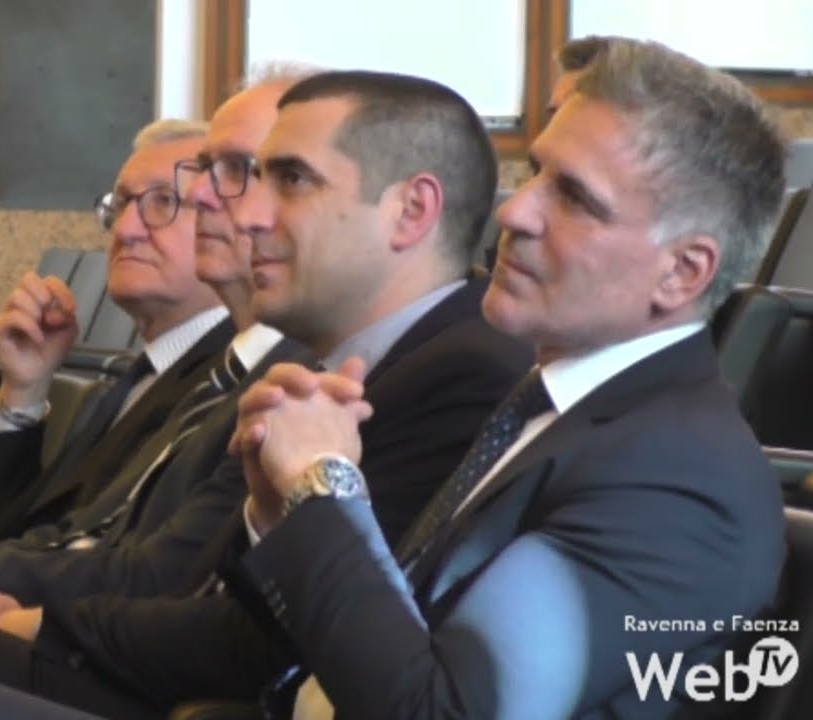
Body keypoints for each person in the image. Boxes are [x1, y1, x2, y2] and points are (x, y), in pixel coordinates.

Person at [0, 70, 534, 720]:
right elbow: (69, 532)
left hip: (172, 685)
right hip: (127, 644)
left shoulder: (448, 373)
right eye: (241, 175)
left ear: (412, 212)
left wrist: (13, 612)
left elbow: (241, 621)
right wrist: (24, 397)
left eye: (283, 178)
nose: (241, 211)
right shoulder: (268, 367)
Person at [228, 39, 787, 718]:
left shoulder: (678, 481)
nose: (514, 211)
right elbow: (391, 643)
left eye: (574, 197)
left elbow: (442, 712)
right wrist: (282, 513)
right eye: (535, 172)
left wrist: (321, 488)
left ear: (682, 273)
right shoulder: (558, 408)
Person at [0, 120, 233, 544]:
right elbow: (3, 536)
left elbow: (116, 563)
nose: (126, 230)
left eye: (164, 201)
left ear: (229, 224)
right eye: (122, 204)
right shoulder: (140, 378)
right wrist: (24, 392)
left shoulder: (230, 383)